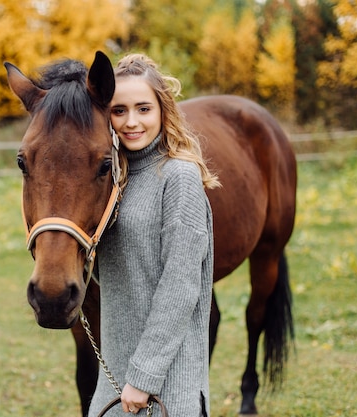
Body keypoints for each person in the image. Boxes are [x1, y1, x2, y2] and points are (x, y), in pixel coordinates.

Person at [88, 53, 220, 417]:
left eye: (143, 109)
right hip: (115, 379)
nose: (131, 122)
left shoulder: (179, 177)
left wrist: (143, 377)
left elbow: (180, 286)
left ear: (162, 110)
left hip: (165, 387)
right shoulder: (117, 179)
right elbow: (117, 276)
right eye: (119, 111)